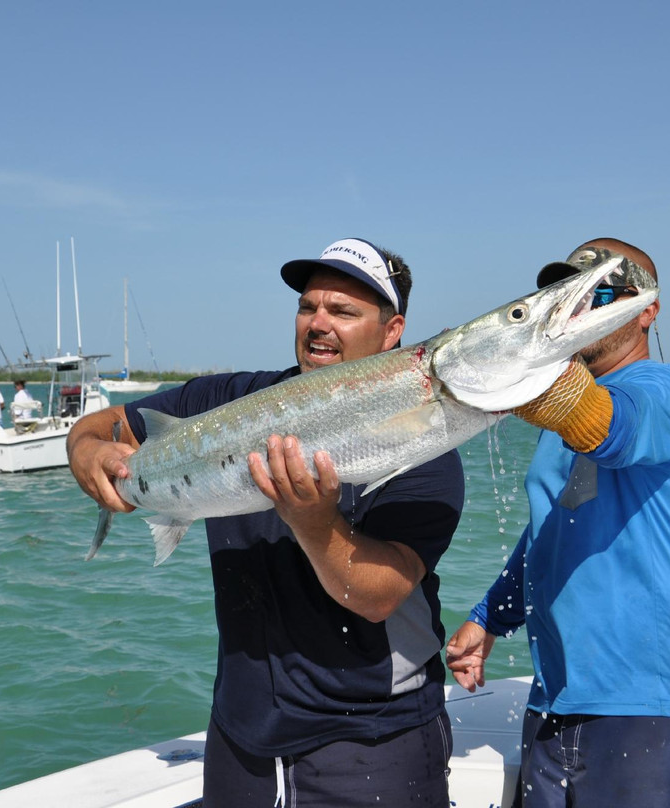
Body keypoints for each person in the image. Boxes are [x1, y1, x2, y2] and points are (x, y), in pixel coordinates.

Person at [66, 238, 465, 808]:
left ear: (392, 330)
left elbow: (379, 595)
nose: (319, 323)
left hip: (372, 738)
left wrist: (312, 521)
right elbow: (103, 424)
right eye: (309, 307)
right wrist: (86, 455)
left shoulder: (423, 443)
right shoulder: (228, 398)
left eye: (344, 311)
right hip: (240, 732)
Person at [446, 237, 670, 808]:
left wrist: (516, 373)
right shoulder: (561, 426)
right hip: (556, 703)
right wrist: (488, 620)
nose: (585, 310)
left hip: (650, 708)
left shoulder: (663, 390)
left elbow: (612, 431)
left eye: (603, 293)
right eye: (568, 298)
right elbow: (549, 534)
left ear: (646, 309)